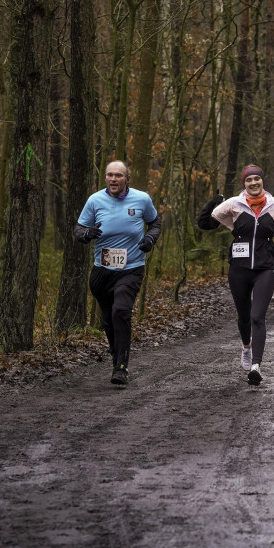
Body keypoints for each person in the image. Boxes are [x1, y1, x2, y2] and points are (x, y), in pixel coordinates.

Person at [197, 165, 274, 385]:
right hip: (239, 268)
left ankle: (256, 366)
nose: (254, 183)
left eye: (257, 179)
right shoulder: (233, 205)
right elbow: (204, 223)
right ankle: (246, 347)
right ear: (244, 184)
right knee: (244, 316)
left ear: (262, 181)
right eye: (249, 180)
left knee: (258, 316)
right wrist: (213, 202)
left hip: (265, 266)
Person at [74, 160, 161, 386]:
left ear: (127, 179)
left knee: (121, 310)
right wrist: (87, 234)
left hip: (131, 268)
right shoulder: (95, 200)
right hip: (102, 272)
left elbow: (155, 223)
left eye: (118, 175)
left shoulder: (142, 199)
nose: (113, 179)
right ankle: (116, 353)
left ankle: (121, 367)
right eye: (109, 175)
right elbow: (78, 229)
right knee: (108, 320)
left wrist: (150, 239)